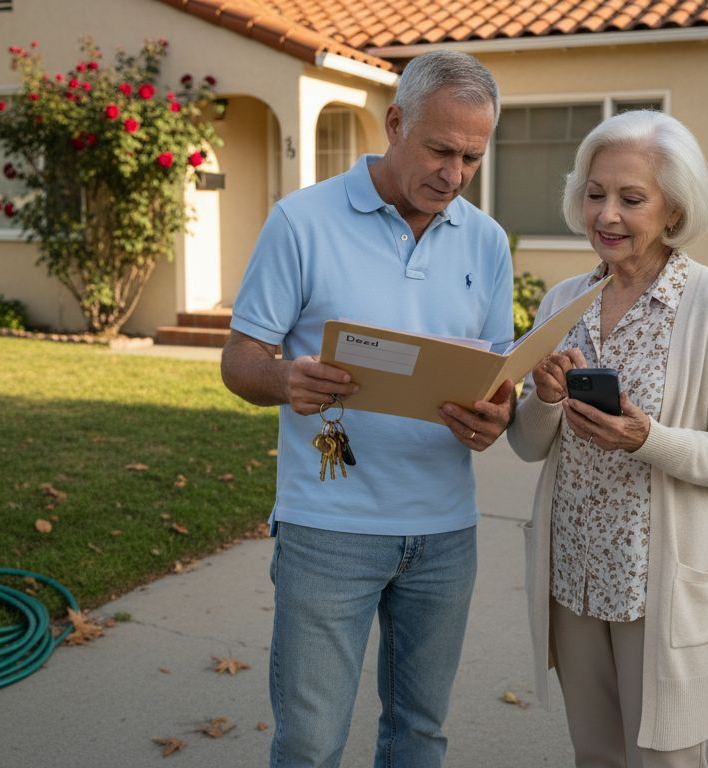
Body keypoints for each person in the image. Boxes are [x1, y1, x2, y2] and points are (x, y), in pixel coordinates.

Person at [219, 50, 515, 768]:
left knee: (419, 733)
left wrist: (495, 419)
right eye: (440, 149)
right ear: (393, 123)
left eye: (471, 157)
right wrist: (286, 378)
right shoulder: (301, 222)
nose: (453, 174)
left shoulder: (487, 240)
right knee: (312, 742)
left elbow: (501, 377)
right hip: (330, 530)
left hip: (445, 535)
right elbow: (239, 361)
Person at [507, 110, 708, 768]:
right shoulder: (564, 299)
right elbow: (528, 446)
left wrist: (645, 438)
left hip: (662, 586)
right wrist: (542, 397)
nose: (608, 215)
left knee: (666, 759)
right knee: (595, 754)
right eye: (595, 194)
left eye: (631, 198)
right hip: (574, 572)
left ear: (675, 209)